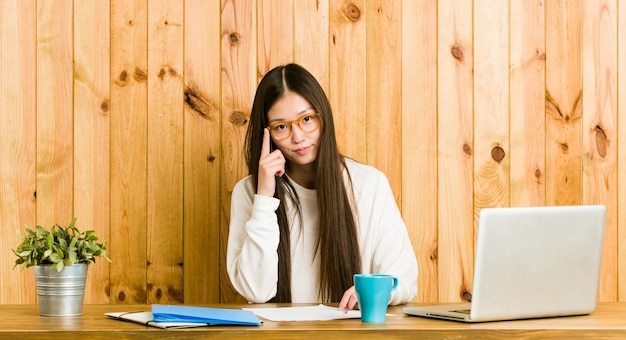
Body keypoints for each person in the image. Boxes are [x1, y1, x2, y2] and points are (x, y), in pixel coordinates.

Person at [227, 63, 418, 311]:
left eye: (307, 119)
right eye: (281, 127)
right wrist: (264, 199)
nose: (298, 137)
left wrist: (374, 293)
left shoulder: (370, 184)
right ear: (267, 133)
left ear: (323, 116)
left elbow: (403, 280)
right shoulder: (249, 193)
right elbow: (256, 291)